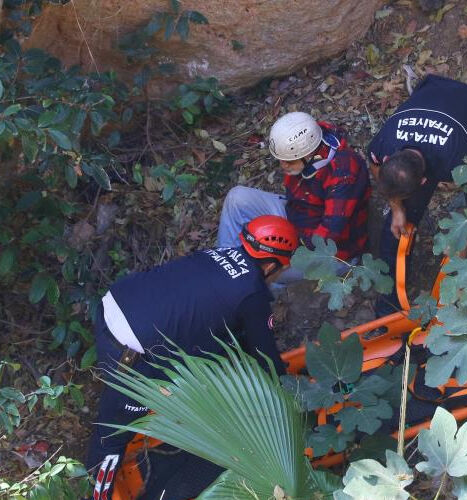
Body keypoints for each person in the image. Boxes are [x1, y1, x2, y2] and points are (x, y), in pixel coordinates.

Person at [86, 215, 299, 500]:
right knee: (111, 437)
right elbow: (266, 359)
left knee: (214, 344)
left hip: (116, 303)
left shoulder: (219, 253)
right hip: (131, 351)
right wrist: (289, 399)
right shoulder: (252, 293)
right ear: (272, 264)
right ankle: (94, 494)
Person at [366, 75, 467, 315]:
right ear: (390, 157)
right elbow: (376, 168)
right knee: (397, 226)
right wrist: (398, 209)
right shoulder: (385, 142)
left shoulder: (460, 160)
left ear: (425, 181)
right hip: (432, 89)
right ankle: (388, 310)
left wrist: (466, 238)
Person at [218, 111, 371, 283]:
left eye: (289, 161)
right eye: (281, 160)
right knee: (237, 198)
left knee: (261, 270)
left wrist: (278, 249)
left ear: (309, 154)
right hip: (297, 216)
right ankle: (223, 266)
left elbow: (326, 237)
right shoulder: (307, 138)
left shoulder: (344, 174)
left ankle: (249, 294)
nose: (283, 166)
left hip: (332, 253)